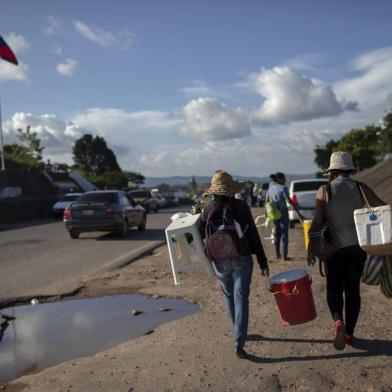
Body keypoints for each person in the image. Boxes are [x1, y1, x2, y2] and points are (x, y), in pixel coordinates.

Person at [308, 151, 385, 350]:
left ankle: (337, 322)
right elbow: (383, 207)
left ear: (332, 171)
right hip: (358, 247)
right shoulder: (360, 187)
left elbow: (316, 222)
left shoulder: (324, 190)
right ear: (349, 170)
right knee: (353, 290)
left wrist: (311, 248)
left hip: (335, 249)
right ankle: (349, 334)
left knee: (333, 287)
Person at [199, 170, 269, 358]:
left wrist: (209, 255)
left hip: (220, 260)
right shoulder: (241, 206)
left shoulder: (209, 208)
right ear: (231, 189)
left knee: (228, 295)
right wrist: (262, 261)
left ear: (214, 190)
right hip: (242, 258)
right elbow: (253, 234)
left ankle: (237, 331)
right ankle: (239, 341)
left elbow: (199, 233)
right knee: (241, 298)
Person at [266, 172, 304, 261]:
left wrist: (267, 214)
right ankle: (284, 256)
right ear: (279, 179)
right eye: (284, 179)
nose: (285, 180)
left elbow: (267, 201)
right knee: (284, 235)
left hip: (274, 214)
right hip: (282, 213)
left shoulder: (270, 188)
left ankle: (277, 254)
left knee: (276, 234)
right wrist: (298, 213)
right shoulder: (283, 188)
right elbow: (289, 201)